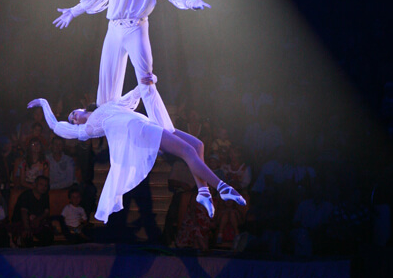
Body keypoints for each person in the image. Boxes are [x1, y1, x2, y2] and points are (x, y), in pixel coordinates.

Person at [54, 0, 209, 131]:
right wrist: (74, 11)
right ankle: (106, 127)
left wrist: (191, 2)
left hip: (136, 27)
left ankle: (164, 130)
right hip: (114, 28)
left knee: (146, 81)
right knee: (106, 88)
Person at [27, 88, 245, 225]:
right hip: (138, 131)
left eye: (73, 114)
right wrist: (43, 103)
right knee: (187, 152)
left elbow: (133, 95)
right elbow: (56, 126)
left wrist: (146, 82)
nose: (73, 118)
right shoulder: (87, 129)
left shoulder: (109, 106)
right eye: (71, 120)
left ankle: (203, 191)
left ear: (82, 108)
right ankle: (223, 188)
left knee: (197, 145)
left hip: (149, 122)